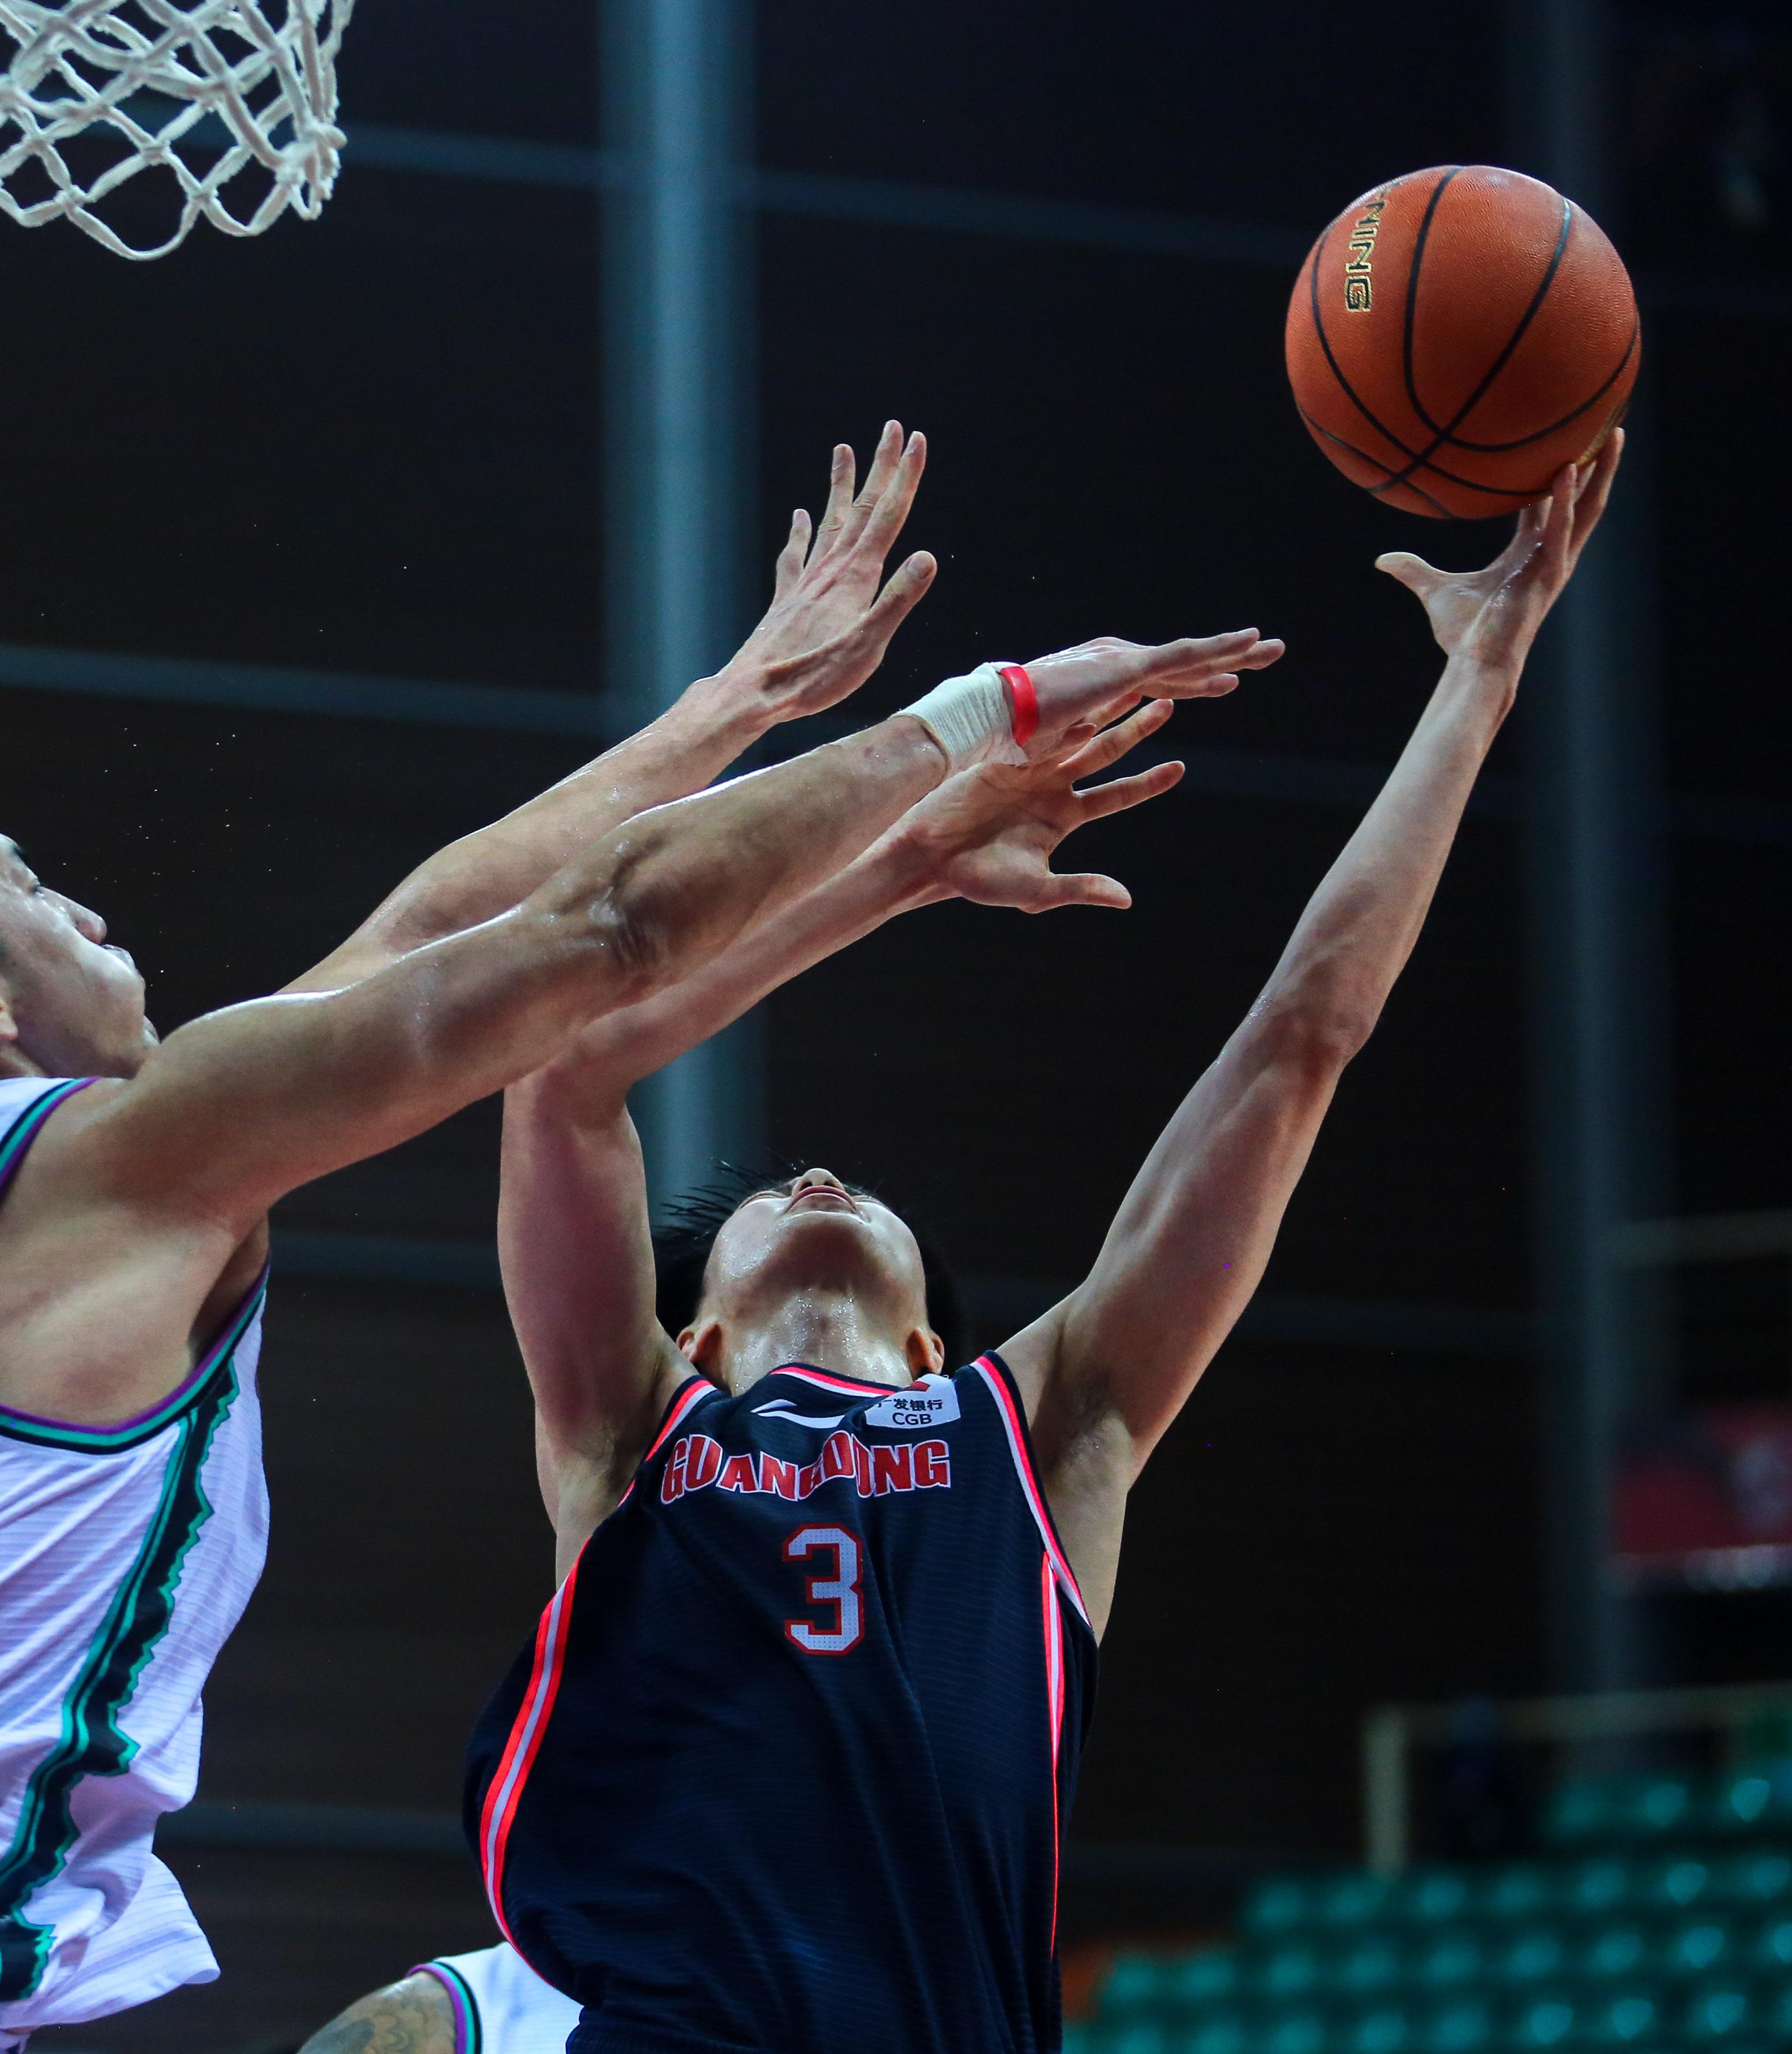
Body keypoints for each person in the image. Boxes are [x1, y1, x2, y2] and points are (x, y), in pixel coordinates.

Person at [0, 422, 1275, 2053]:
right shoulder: (101, 1168)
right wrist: (976, 718)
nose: (88, 909)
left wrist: (734, 705)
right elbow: (594, 934)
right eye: (35, 893)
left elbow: (419, 938)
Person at [343, 438, 1609, 2054]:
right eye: (766, 1197)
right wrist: (893, 869)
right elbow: (569, 1065)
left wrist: (1478, 683)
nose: (811, 1171)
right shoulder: (629, 1427)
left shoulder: (1048, 1426)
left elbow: (1303, 1037)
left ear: (936, 1350)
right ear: (702, 1341)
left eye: (847, 1187)